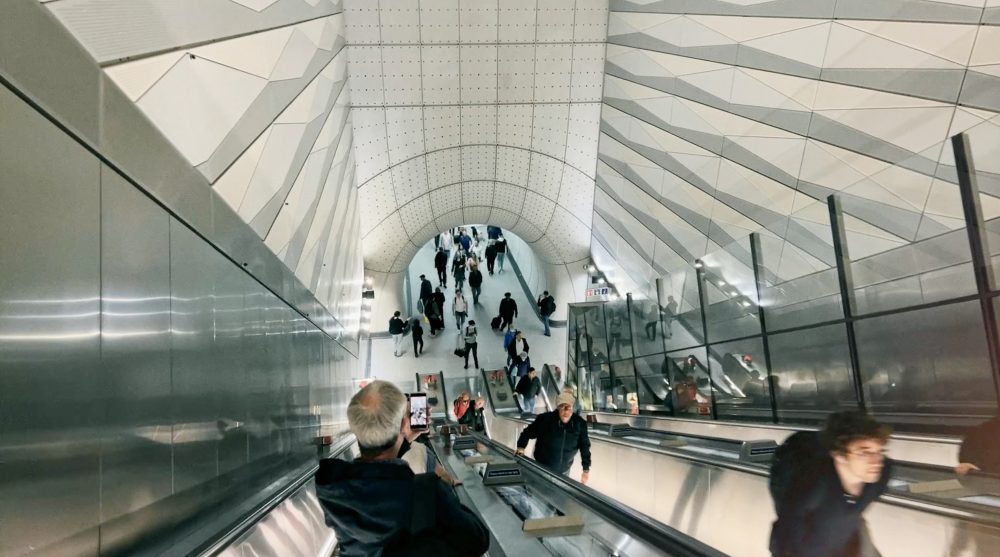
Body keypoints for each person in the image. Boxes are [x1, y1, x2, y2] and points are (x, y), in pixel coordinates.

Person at [315, 381, 490, 557]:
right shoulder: (426, 491)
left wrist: (403, 439)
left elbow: (376, 482)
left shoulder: (334, 491)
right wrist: (446, 490)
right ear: (403, 423)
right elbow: (478, 540)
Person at [769, 411, 893, 557]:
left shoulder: (880, 474)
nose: (876, 461)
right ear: (839, 455)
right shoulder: (812, 487)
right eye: (864, 453)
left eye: (879, 451)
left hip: (847, 539)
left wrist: (926, 486)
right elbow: (784, 536)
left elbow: (906, 487)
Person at [515, 392, 591, 484]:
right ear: (558, 408)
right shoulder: (545, 420)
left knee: (559, 496)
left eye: (569, 407)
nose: (566, 411)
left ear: (573, 408)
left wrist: (586, 469)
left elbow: (584, 446)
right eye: (562, 407)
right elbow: (527, 432)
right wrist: (521, 447)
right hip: (541, 468)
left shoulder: (579, 424)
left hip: (564, 471)